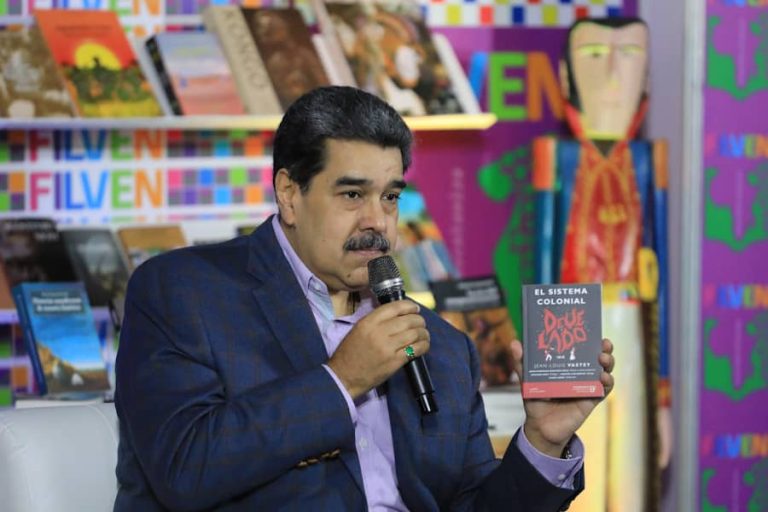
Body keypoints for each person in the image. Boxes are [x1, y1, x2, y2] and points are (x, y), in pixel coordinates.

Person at [114, 85, 615, 511]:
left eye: (390, 197)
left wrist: (543, 442)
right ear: (289, 194)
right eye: (352, 195)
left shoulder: (440, 346)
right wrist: (342, 380)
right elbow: (184, 468)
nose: (377, 221)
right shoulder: (185, 292)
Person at [532, 17, 670, 512]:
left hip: (631, 312)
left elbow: (662, 274)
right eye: (594, 56)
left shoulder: (650, 158)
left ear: (647, 76)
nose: (614, 75)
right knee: (579, 443)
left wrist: (664, 397)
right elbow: (545, 260)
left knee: (631, 441)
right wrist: (545, 375)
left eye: (629, 56)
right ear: (566, 76)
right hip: (571, 313)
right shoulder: (555, 155)